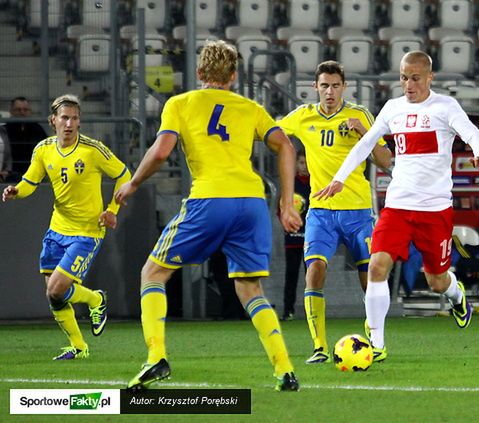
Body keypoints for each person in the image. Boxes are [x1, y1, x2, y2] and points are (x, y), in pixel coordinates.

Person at [114, 40, 303, 392]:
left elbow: (161, 150)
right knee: (250, 287)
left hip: (210, 200)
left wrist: (133, 182)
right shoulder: (250, 107)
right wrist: (287, 202)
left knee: (153, 273)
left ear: (199, 73)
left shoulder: (180, 103)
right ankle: (285, 369)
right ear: (233, 75)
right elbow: (286, 146)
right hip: (251, 202)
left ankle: (156, 358)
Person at [315, 51, 479, 362]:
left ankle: (456, 294)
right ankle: (377, 344)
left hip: (435, 209)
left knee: (436, 281)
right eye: (403, 77)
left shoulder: (445, 107)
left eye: (415, 78)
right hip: (397, 206)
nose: (408, 84)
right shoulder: (393, 109)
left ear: (429, 78)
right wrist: (340, 177)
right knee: (377, 267)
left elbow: (471, 133)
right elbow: (366, 143)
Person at [277, 60, 393, 364]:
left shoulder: (359, 115)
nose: (330, 91)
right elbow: (269, 132)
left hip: (357, 211)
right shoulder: (303, 117)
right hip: (321, 213)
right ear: (315, 87)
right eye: (324, 85)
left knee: (370, 278)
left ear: (344, 87)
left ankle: (376, 338)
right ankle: (318, 347)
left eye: (335, 85)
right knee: (314, 272)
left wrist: (365, 134)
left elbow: (386, 160)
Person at [2, 94, 130, 360]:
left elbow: (124, 174)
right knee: (55, 295)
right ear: (53, 120)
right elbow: (30, 182)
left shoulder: (93, 150)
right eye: (64, 117)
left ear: (79, 121)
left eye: (74, 118)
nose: (69, 123)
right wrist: (16, 191)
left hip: (87, 231)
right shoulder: (43, 149)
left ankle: (95, 300)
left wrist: (112, 209)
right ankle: (79, 346)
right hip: (57, 229)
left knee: (56, 289)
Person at [281, 151, 310, 321]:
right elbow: (281, 209)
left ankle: (311, 311)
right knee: (291, 275)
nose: (304, 166)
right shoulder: (290, 185)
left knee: (312, 277)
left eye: (306, 163)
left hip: (311, 239)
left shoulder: (316, 183)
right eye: (300, 163)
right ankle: (288, 310)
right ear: (296, 164)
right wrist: (287, 222)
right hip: (292, 238)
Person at [5, 97, 48, 176]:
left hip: (34, 173)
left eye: (25, 110)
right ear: (11, 112)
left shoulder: (38, 129)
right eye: (18, 110)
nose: (22, 112)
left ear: (30, 112)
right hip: (10, 174)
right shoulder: (4, 130)